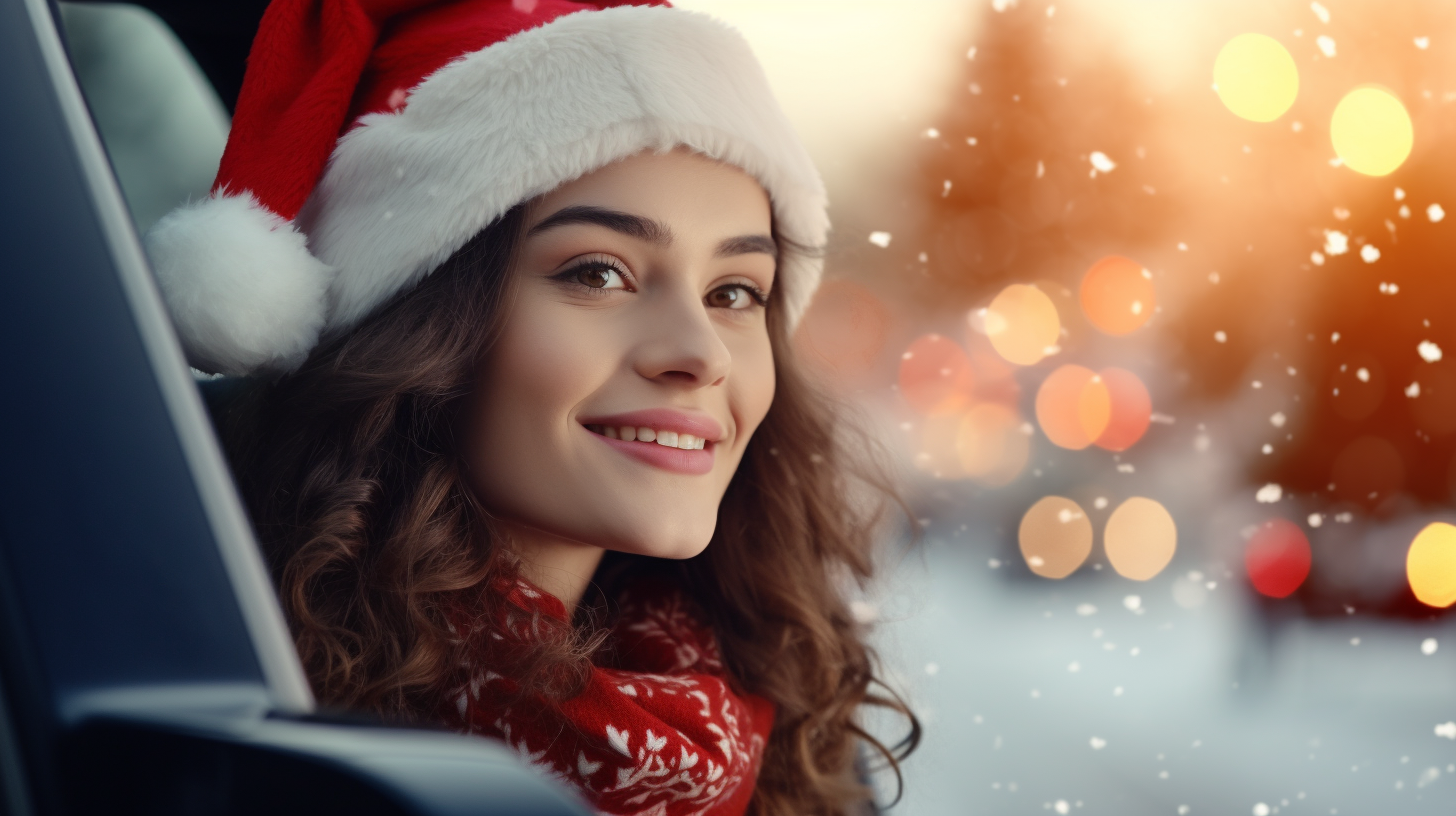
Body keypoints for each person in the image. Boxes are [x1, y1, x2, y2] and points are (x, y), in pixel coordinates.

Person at [144, 1, 917, 813]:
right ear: (421, 321)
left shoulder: (789, 721)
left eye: (734, 291)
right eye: (597, 273)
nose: (701, 353)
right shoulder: (239, 716)